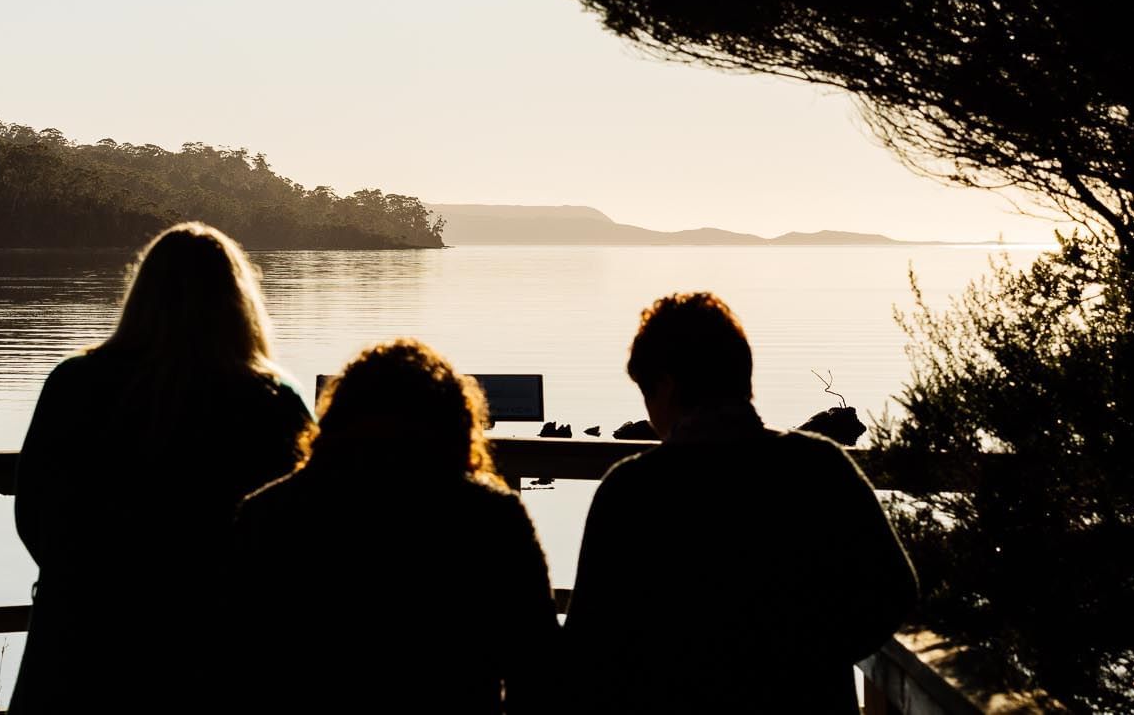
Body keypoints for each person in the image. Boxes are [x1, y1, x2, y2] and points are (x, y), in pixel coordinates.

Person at [563, 292, 918, 713]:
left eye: (647, 393)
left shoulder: (631, 491)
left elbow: (586, 645)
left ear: (667, 386)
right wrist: (813, 653)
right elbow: (895, 590)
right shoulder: (820, 467)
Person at [9, 223, 313, 711]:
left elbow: (34, 515)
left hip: (80, 640)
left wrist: (82, 577)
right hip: (220, 646)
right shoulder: (272, 400)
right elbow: (301, 526)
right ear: (239, 302)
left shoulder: (74, 384)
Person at [231, 338, 560, 713]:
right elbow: (538, 670)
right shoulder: (492, 517)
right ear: (456, 424)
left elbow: (238, 661)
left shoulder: (266, 514)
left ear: (335, 417)